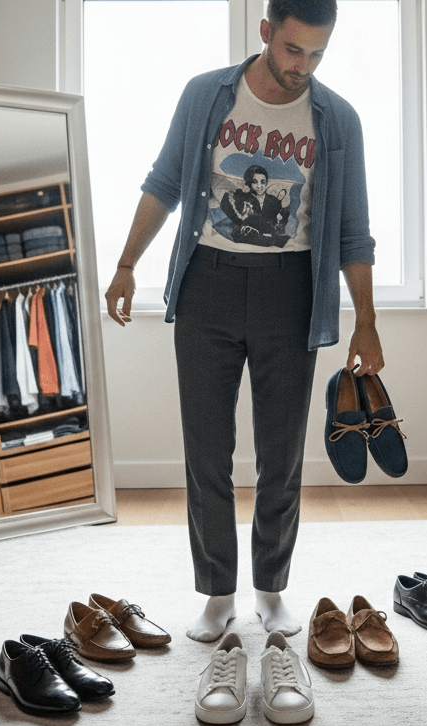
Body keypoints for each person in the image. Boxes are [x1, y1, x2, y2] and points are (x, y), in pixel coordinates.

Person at [103, 0, 383, 642]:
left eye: (317, 55)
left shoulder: (338, 119)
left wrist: (366, 322)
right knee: (207, 449)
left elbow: (353, 232)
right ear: (265, 32)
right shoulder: (207, 95)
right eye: (292, 51)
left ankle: (272, 589)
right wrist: (125, 264)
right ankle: (216, 593)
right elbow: (166, 180)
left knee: (281, 454)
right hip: (208, 283)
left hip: (292, 291)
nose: (302, 67)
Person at [222, 165, 291, 247]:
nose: (259, 186)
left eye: (262, 182)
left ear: (266, 183)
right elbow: (226, 202)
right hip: (247, 240)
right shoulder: (242, 197)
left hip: (269, 240)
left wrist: (282, 218)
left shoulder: (274, 201)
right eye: (254, 182)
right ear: (249, 183)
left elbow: (280, 226)